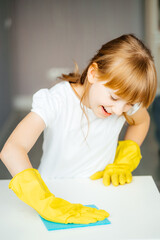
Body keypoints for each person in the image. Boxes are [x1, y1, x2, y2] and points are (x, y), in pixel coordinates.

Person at [0, 34, 157, 224]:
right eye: (114, 98)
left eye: (128, 104)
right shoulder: (58, 100)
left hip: (102, 193)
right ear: (93, 74)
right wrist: (44, 202)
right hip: (54, 193)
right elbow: (11, 150)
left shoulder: (122, 104)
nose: (118, 111)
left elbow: (141, 121)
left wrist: (125, 159)